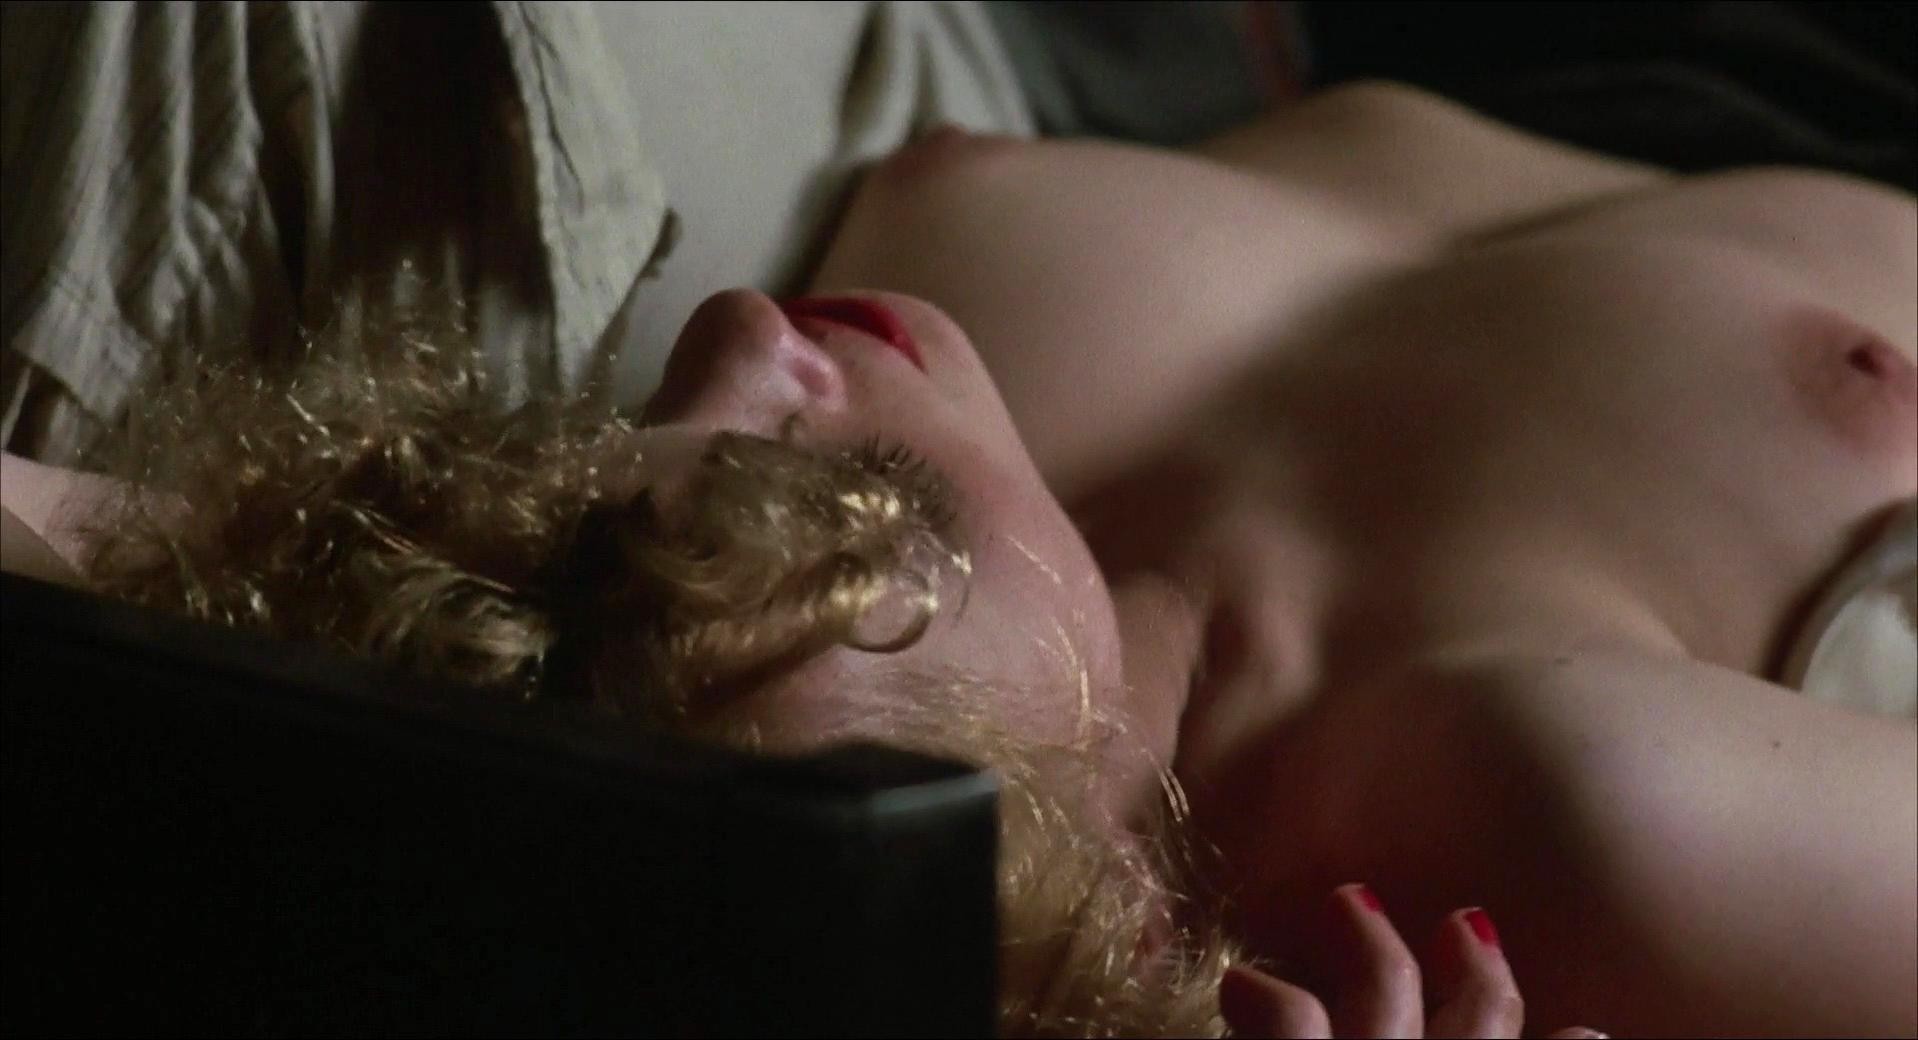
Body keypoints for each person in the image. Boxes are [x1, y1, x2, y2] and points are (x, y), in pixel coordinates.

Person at [5, 9, 1913, 1038]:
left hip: (1016, 63)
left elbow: (149, 558)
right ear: (1112, 894)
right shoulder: (1600, 806)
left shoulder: (659, 648)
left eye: (642, 449)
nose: (741, 338)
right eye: (859, 501)